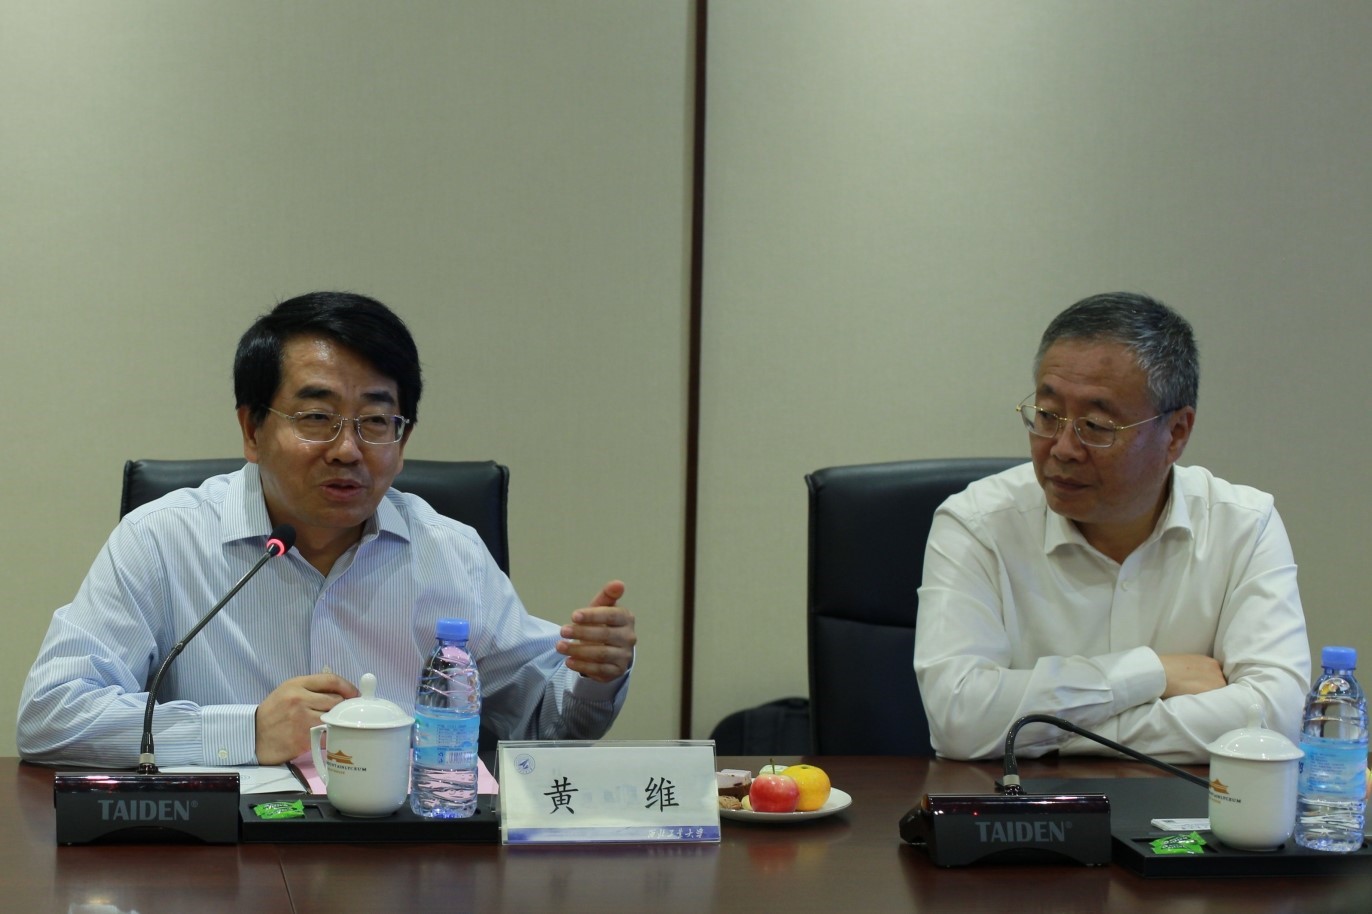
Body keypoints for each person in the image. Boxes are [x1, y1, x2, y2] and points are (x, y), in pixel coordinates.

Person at [17, 291, 637, 767]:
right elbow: (51, 716)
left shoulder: (449, 553)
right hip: (220, 861)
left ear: (402, 439)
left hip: (400, 858)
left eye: (376, 421)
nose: (348, 450)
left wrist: (593, 676)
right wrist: (247, 731)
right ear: (252, 429)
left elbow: (543, 725)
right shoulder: (161, 540)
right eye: (317, 417)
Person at [914, 292, 1309, 763]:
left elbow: (1275, 716)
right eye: (1048, 416)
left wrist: (1040, 729)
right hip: (1023, 804)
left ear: (1176, 433)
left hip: (1185, 807)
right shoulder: (977, 524)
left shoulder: (1243, 526)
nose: (1062, 448)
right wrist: (1150, 673)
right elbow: (958, 719)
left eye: (1097, 426)